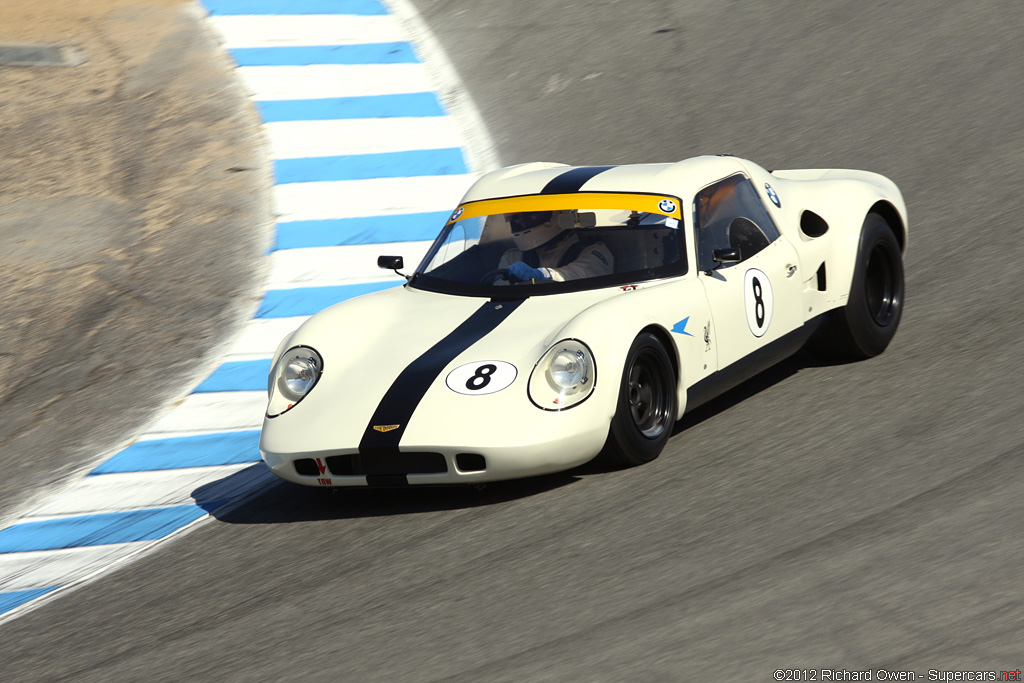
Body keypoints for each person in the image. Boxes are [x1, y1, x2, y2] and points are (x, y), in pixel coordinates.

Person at [497, 210, 614, 283]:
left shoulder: (593, 251)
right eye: (515, 219)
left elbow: (579, 275)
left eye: (529, 216)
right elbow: (499, 290)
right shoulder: (512, 257)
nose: (521, 223)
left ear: (557, 214)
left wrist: (542, 275)